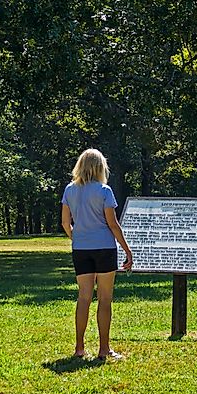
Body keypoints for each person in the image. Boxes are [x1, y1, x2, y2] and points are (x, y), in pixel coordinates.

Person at [61, 148, 133, 360]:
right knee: (104, 299)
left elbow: (66, 223)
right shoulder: (104, 191)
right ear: (100, 167)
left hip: (81, 249)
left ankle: (79, 348)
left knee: (83, 297)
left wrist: (76, 237)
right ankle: (104, 349)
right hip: (104, 248)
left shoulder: (69, 190)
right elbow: (113, 224)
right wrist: (127, 250)